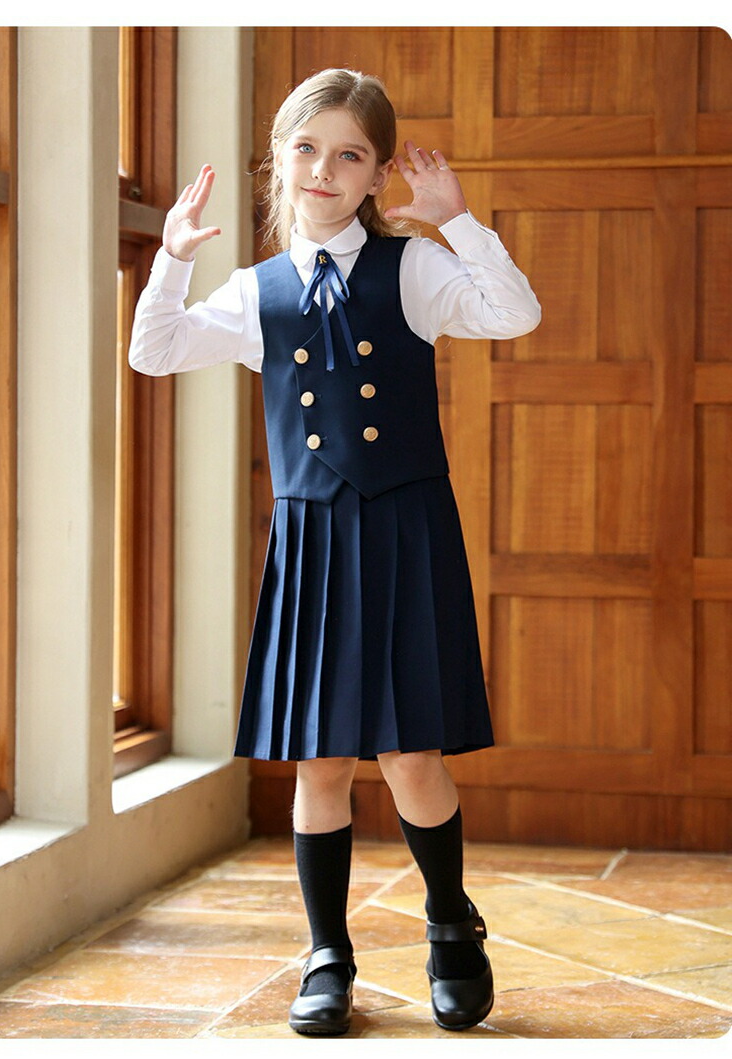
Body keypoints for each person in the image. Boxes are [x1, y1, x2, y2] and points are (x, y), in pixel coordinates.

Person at [129, 68, 541, 1037]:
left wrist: (456, 221)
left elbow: (513, 313)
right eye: (306, 149)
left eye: (348, 154)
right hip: (312, 541)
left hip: (405, 533)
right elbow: (155, 351)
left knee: (408, 754)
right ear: (280, 160)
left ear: (377, 174)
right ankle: (327, 956)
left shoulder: (415, 268)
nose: (323, 169)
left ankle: (450, 923)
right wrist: (171, 261)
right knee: (318, 762)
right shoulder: (257, 291)